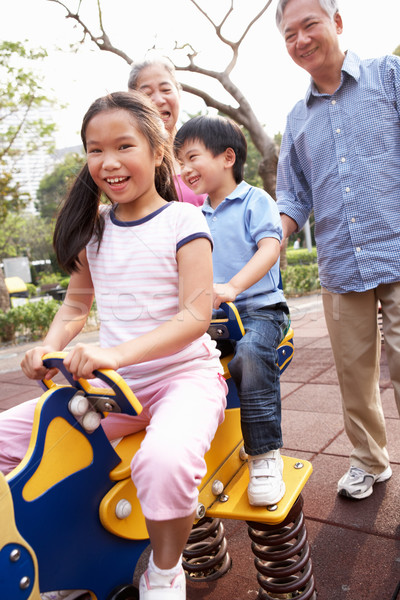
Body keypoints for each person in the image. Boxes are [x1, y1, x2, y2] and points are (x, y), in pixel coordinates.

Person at [0, 91, 227, 600]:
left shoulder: (184, 222)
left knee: (162, 462)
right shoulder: (94, 232)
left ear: (156, 149)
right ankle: (52, 551)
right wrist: (47, 347)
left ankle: (165, 570)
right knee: (11, 439)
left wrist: (117, 355)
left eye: (123, 146)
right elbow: (76, 308)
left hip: (183, 378)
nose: (108, 162)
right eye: (94, 149)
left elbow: (195, 315)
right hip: (114, 389)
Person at [275, 0, 400, 499]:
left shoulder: (388, 77)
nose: (301, 39)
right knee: (353, 372)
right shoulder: (295, 119)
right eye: (289, 34)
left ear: (338, 23)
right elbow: (292, 195)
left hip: (397, 251)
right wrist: (272, 238)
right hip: (341, 263)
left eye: (311, 25)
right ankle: (370, 461)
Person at [174, 115, 290, 506]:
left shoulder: (256, 200)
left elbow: (270, 248)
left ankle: (264, 456)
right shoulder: (193, 215)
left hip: (260, 310)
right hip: (212, 319)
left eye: (191, 158)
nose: (184, 169)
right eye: (180, 162)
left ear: (227, 157)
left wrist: (233, 287)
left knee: (251, 355)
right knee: (173, 363)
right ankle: (188, 453)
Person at [128, 56, 206, 207]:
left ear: (178, 93)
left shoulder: (207, 150)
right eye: (147, 94)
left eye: (166, 90)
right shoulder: (133, 163)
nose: (159, 100)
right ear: (133, 102)